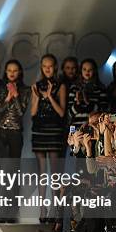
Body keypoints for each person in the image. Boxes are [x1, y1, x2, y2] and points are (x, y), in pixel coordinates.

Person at [30, 54, 67, 222]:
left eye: (50, 66)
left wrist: (50, 96)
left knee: (55, 173)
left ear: (55, 67)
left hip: (54, 131)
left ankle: (56, 209)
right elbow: (32, 113)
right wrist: (38, 97)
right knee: (42, 173)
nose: (47, 69)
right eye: (44, 66)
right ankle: (42, 209)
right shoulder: (36, 86)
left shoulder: (61, 86)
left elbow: (61, 112)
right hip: (39, 131)